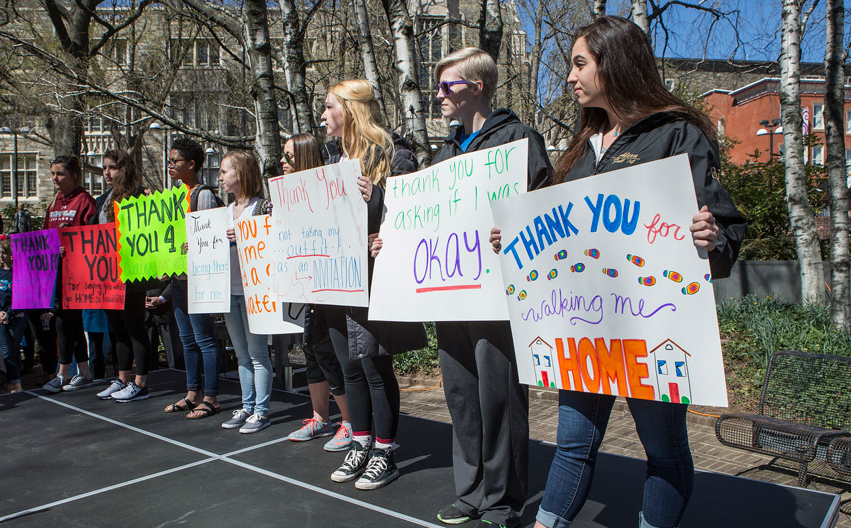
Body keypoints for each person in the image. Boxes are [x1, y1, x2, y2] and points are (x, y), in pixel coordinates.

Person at [488, 17, 745, 528]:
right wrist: (514, 239)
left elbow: (724, 229)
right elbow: (556, 230)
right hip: (585, 326)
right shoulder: (583, 148)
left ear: (615, 63)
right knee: (572, 443)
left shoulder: (676, 134)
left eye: (580, 63)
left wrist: (712, 237)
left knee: (663, 450)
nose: (569, 77)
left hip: (651, 328)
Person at [406, 47, 553, 528]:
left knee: (499, 397)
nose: (439, 94)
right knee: (462, 396)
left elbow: (544, 211)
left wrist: (517, 225)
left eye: (448, 85)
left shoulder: (518, 139)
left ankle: (502, 501)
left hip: (498, 294)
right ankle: (468, 492)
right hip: (452, 294)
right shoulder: (445, 152)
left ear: (479, 86)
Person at [319, 79, 427, 490]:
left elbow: (412, 218)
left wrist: (376, 199)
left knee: (374, 366)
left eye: (330, 107)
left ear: (350, 109)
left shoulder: (394, 154)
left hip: (372, 278)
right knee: (349, 366)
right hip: (335, 279)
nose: (324, 115)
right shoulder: (333, 160)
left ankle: (385, 451)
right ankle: (359, 442)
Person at [282, 134, 354, 451]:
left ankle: (350, 422)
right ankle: (319, 417)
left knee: (327, 352)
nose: (282, 162)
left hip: (329, 288)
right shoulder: (282, 198)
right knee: (310, 350)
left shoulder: (325, 191)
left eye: (288, 157)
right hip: (304, 288)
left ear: (304, 158)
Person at [161, 138, 224, 420]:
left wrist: (194, 245)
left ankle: (210, 397)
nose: (170, 165)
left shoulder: (202, 195)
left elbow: (211, 236)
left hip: (198, 278)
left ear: (192, 164)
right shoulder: (172, 198)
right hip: (177, 277)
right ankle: (192, 393)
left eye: (175, 161)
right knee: (187, 340)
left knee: (204, 339)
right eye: (170, 160)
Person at [215, 150, 275, 433]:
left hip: (255, 292)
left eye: (225, 171)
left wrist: (245, 235)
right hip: (229, 292)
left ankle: (261, 411)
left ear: (241, 173)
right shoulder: (223, 212)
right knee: (241, 354)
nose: (221, 177)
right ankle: (247, 405)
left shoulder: (262, 207)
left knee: (258, 354)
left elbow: (273, 242)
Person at [92, 149, 156, 402]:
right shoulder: (102, 200)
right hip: (107, 276)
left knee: (134, 327)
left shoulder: (139, 197)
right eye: (104, 168)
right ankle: (123, 378)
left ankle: (141, 383)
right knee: (117, 329)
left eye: (113, 167)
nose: (107, 173)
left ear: (125, 169)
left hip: (130, 275)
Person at [40, 155, 97, 393]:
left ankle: (62, 373)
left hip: (76, 274)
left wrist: (69, 241)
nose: (55, 178)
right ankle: (83, 373)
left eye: (60, 173)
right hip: (56, 272)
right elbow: (44, 236)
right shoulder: (54, 203)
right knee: (70, 324)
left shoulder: (84, 201)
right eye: (52, 173)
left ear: (74, 176)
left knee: (64, 322)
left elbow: (93, 238)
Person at [0, 239, 25, 393]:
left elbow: (22, 295)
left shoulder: (20, 272)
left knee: (14, 348)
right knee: (6, 349)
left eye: (3, 253)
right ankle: (16, 383)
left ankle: (13, 381)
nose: (0, 256)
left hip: (16, 316)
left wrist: (9, 313)